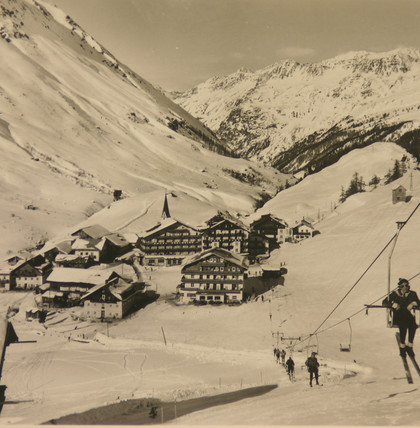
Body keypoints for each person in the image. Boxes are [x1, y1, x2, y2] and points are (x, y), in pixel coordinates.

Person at [383, 278, 420, 357]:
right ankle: (402, 346)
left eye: (406, 285)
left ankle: (410, 346)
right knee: (404, 324)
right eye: (402, 286)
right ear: (399, 287)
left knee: (413, 325)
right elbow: (384, 302)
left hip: (407, 315)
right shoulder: (395, 294)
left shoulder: (412, 294)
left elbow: (418, 303)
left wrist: (413, 303)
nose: (405, 287)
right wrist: (392, 304)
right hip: (397, 315)